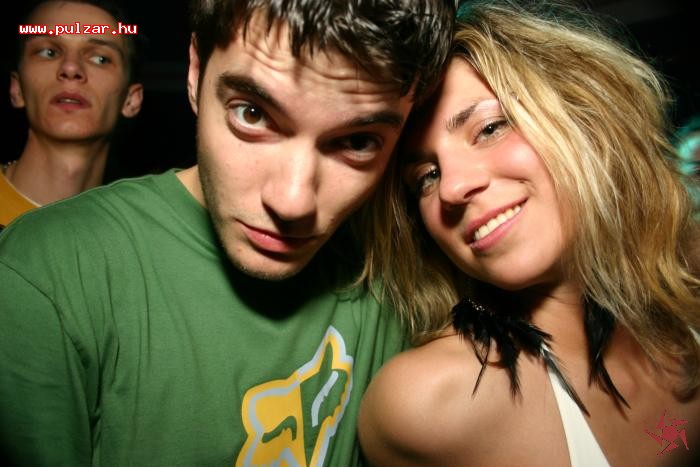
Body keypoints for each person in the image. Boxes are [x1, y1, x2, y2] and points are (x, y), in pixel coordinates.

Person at [0, 0, 454, 465]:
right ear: (195, 71)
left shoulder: (396, 285)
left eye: (358, 142)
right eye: (252, 114)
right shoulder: (45, 276)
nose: (292, 201)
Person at [358, 1, 700, 466]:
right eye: (426, 177)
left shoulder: (686, 293)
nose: (452, 188)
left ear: (587, 120)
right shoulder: (433, 404)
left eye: (489, 129)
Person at [0, 0, 143, 230]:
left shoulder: (135, 234)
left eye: (100, 59)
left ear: (131, 99)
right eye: (49, 52)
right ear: (16, 89)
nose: (70, 68)